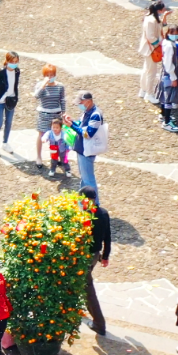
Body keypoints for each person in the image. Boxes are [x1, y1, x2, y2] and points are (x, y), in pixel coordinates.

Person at [63, 91, 104, 204]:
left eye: (81, 102)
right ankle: (83, 202)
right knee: (84, 179)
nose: (79, 105)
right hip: (82, 149)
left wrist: (71, 125)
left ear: (88, 101)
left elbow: (87, 134)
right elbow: (81, 126)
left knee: (89, 180)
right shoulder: (87, 112)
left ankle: (94, 205)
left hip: (87, 151)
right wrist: (71, 122)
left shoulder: (95, 115)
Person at [81, 186, 110, 335]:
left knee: (88, 290)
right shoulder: (103, 213)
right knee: (82, 284)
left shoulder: (85, 216)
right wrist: (105, 256)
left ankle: (99, 324)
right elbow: (108, 237)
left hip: (84, 257)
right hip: (95, 256)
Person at [156, 23, 178, 132]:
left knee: (165, 96)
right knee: (169, 98)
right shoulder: (170, 46)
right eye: (173, 33)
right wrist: (173, 77)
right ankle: (167, 122)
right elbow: (169, 63)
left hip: (165, 73)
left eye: (176, 34)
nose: (175, 36)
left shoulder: (166, 42)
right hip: (169, 74)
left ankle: (163, 115)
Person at [33, 64, 65, 169]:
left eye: (52, 75)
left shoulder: (60, 86)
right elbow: (36, 96)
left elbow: (62, 100)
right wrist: (43, 85)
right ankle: (39, 157)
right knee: (41, 135)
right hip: (44, 114)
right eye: (48, 75)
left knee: (57, 136)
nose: (50, 77)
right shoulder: (40, 85)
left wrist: (64, 112)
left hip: (56, 114)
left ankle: (57, 157)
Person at [139, 1, 169, 103]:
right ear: (159, 10)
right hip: (151, 49)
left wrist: (165, 17)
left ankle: (143, 90)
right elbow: (151, 37)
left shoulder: (152, 18)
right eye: (163, 9)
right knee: (151, 72)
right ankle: (149, 93)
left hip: (149, 49)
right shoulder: (151, 20)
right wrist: (159, 45)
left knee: (146, 70)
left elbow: (161, 28)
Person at [0, 52, 20, 152]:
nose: (14, 64)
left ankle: (5, 143)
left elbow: (15, 84)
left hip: (11, 100)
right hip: (0, 101)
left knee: (8, 122)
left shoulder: (17, 71)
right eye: (12, 61)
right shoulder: (0, 72)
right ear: (7, 61)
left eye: (16, 62)